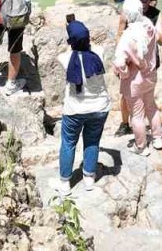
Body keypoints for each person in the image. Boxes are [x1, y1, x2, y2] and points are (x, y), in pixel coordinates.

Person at [55, 20, 111, 196]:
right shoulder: (99, 52)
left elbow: (68, 51)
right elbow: (93, 45)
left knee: (68, 143)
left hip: (74, 109)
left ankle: (65, 183)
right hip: (100, 107)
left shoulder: (65, 58)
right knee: (92, 141)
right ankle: (89, 178)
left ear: (70, 41)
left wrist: (73, 41)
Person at [113, 0, 162, 154]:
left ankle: (141, 147)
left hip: (134, 81)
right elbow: (157, 38)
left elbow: (120, 63)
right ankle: (157, 138)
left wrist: (125, 73)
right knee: (152, 107)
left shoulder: (127, 36)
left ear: (127, 15)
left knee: (137, 114)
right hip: (150, 74)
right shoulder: (149, 25)